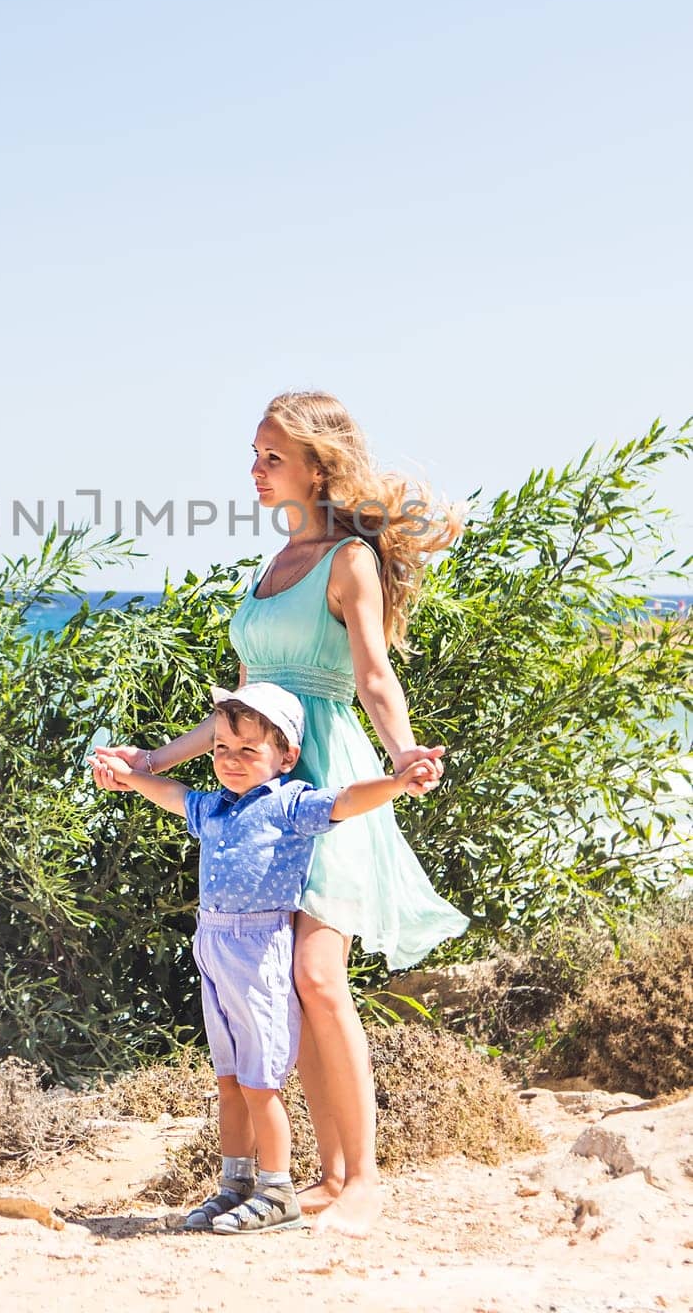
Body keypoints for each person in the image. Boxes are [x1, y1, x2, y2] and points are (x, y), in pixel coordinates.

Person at [95, 389, 470, 1237]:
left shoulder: (349, 561)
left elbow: (373, 675)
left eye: (271, 457)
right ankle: (327, 1179)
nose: (255, 471)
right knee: (286, 985)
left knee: (318, 975)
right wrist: (155, 760)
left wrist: (405, 754)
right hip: (259, 794)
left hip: (327, 775)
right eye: (255, 456)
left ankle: (362, 1180)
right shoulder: (269, 573)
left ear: (317, 467)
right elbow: (243, 709)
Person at [89, 681, 440, 1236]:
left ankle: (278, 1190)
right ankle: (236, 1185)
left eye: (248, 751)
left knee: (261, 1082)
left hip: (262, 952)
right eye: (223, 749)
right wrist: (126, 774)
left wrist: (399, 781)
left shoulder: (292, 805)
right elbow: (170, 792)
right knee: (229, 1079)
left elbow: (347, 799)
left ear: (286, 757)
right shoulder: (212, 808)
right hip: (215, 950)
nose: (230, 761)